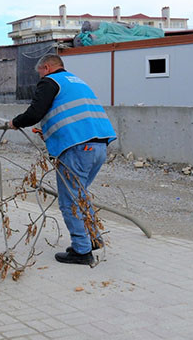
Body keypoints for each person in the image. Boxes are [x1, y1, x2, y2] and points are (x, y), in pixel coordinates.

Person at [8, 54, 116, 265]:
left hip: (78, 148)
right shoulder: (76, 81)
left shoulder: (50, 81)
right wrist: (46, 130)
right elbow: (72, 114)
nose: (39, 77)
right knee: (80, 195)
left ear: (46, 68)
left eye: (39, 72)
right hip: (99, 145)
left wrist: (16, 122)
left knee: (69, 201)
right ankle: (93, 239)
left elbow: (35, 112)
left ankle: (82, 251)